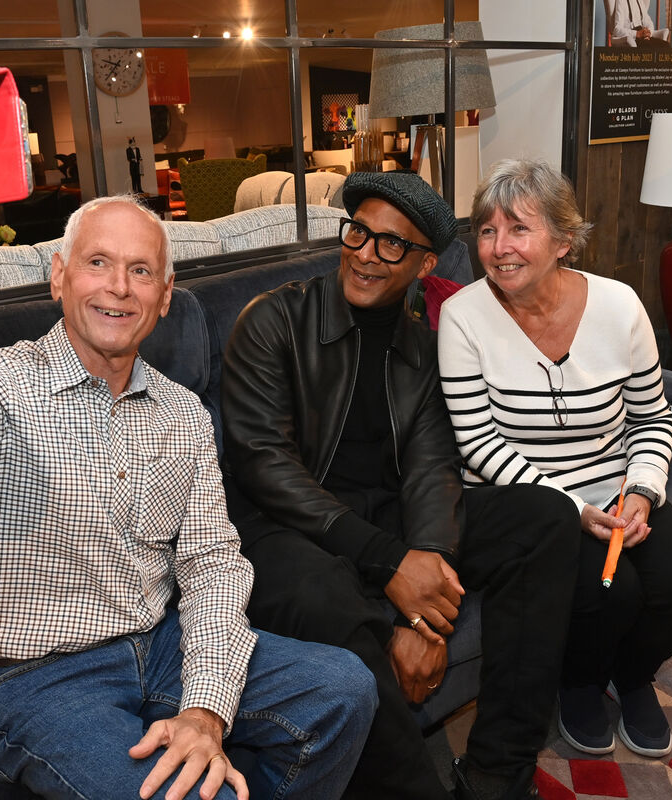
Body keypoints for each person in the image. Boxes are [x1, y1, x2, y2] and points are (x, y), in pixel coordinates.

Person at [0, 110, 376, 800]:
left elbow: (211, 564)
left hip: (159, 647)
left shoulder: (183, 413)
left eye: (142, 271)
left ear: (165, 296)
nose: (118, 286)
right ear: (59, 278)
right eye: (99, 263)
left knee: (345, 689)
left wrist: (204, 709)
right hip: (25, 677)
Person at [221, 170, 579, 800]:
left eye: (392, 245)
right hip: (282, 531)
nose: (365, 254)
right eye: (358, 232)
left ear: (425, 264)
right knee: (325, 590)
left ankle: (497, 774)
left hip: (381, 519)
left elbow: (431, 470)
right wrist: (391, 564)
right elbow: (263, 464)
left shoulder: (423, 349)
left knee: (544, 518)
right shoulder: (273, 320)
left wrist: (427, 609)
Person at [436, 158, 672, 760]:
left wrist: (642, 491)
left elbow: (652, 417)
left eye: (518, 228)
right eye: (487, 231)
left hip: (617, 490)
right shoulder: (464, 316)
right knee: (607, 593)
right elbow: (478, 445)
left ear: (564, 240)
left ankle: (632, 672)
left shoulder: (619, 306)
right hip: (524, 503)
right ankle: (580, 682)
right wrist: (572, 510)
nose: (499, 247)